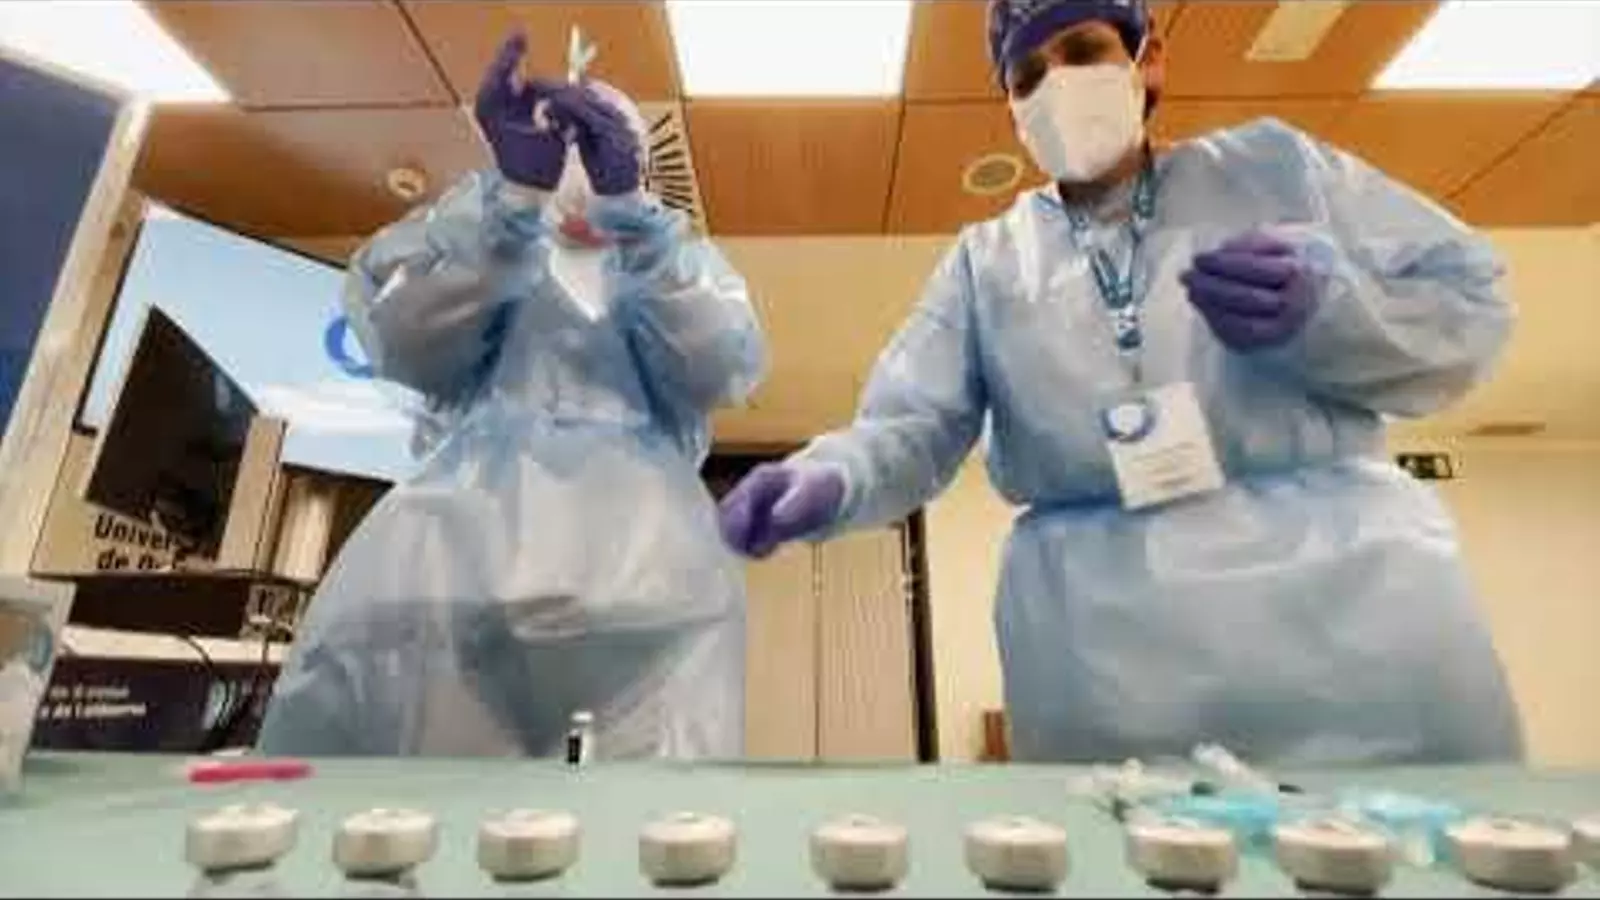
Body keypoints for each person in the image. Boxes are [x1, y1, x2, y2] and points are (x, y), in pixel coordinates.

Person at [718, 0, 1523, 766]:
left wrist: (1333, 308)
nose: (1057, 85)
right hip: (1113, 669)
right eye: (1028, 75)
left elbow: (1471, 304)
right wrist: (830, 478)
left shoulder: (1272, 173)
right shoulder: (990, 261)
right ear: (1011, 107)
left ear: (1149, 60)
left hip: (1354, 630)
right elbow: (911, 425)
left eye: (1082, 51)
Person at [257, 32, 767, 759]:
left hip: (646, 594)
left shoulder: (666, 275)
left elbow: (719, 361)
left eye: (600, 151)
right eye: (571, 150)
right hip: (462, 576)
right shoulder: (489, 256)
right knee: (439, 812)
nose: (580, 171)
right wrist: (512, 203)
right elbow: (402, 334)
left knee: (644, 818)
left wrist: (636, 222)